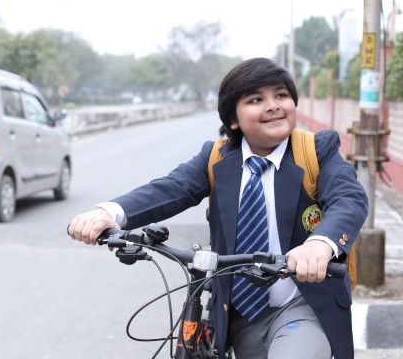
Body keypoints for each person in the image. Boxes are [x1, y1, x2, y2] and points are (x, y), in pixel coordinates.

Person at [67, 58, 368, 359]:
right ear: (233, 119)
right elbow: (172, 187)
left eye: (281, 95)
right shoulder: (216, 158)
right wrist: (109, 213)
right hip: (240, 314)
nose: (273, 105)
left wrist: (319, 244)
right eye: (255, 99)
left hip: (303, 305)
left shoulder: (316, 150)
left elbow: (348, 199)